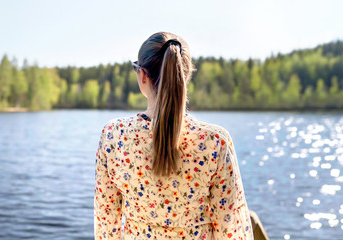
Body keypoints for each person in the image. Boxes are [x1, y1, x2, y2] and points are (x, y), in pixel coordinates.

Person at [94, 32, 254, 239]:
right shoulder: (215, 142)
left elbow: (106, 223)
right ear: (185, 76)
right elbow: (231, 228)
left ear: (142, 75)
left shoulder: (114, 136)